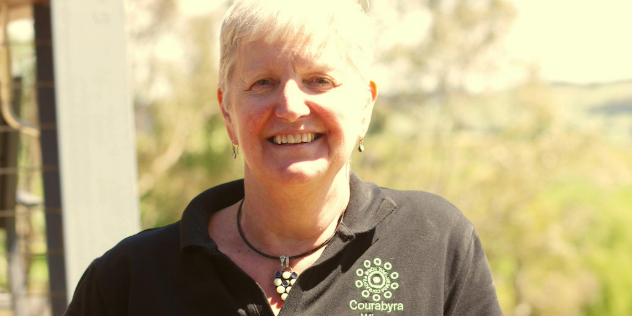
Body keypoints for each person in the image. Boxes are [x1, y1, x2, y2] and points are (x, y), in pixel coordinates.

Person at [65, 0, 502, 315]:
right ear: (227, 113)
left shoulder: (434, 243)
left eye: (319, 79)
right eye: (262, 83)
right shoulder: (128, 279)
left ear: (365, 105)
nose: (291, 106)